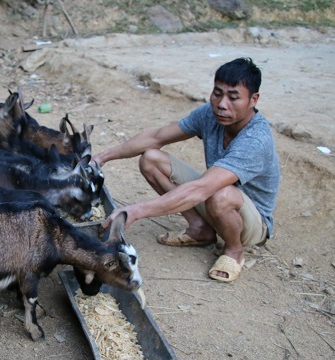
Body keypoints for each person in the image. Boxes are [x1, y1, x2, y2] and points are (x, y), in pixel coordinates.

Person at [92, 57, 280, 283]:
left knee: (220, 194)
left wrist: (135, 210)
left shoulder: (255, 139)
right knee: (151, 158)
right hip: (214, 196)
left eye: (233, 97)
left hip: (252, 222)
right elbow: (156, 137)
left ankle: (233, 250)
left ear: (253, 99)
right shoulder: (210, 114)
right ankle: (200, 228)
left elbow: (202, 189)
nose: (221, 104)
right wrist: (101, 158)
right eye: (217, 93)